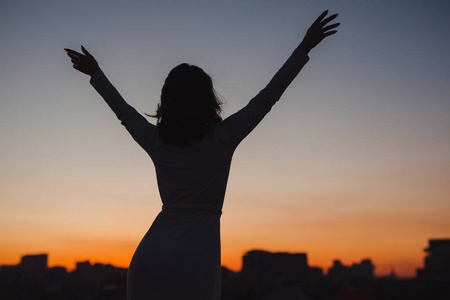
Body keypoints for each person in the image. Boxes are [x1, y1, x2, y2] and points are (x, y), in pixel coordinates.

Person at [65, 10, 339, 300]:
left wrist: (96, 73)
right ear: (208, 99)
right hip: (195, 263)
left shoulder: (157, 140)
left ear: (166, 100)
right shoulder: (223, 137)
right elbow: (269, 96)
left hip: (149, 260)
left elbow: (124, 112)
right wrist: (304, 47)